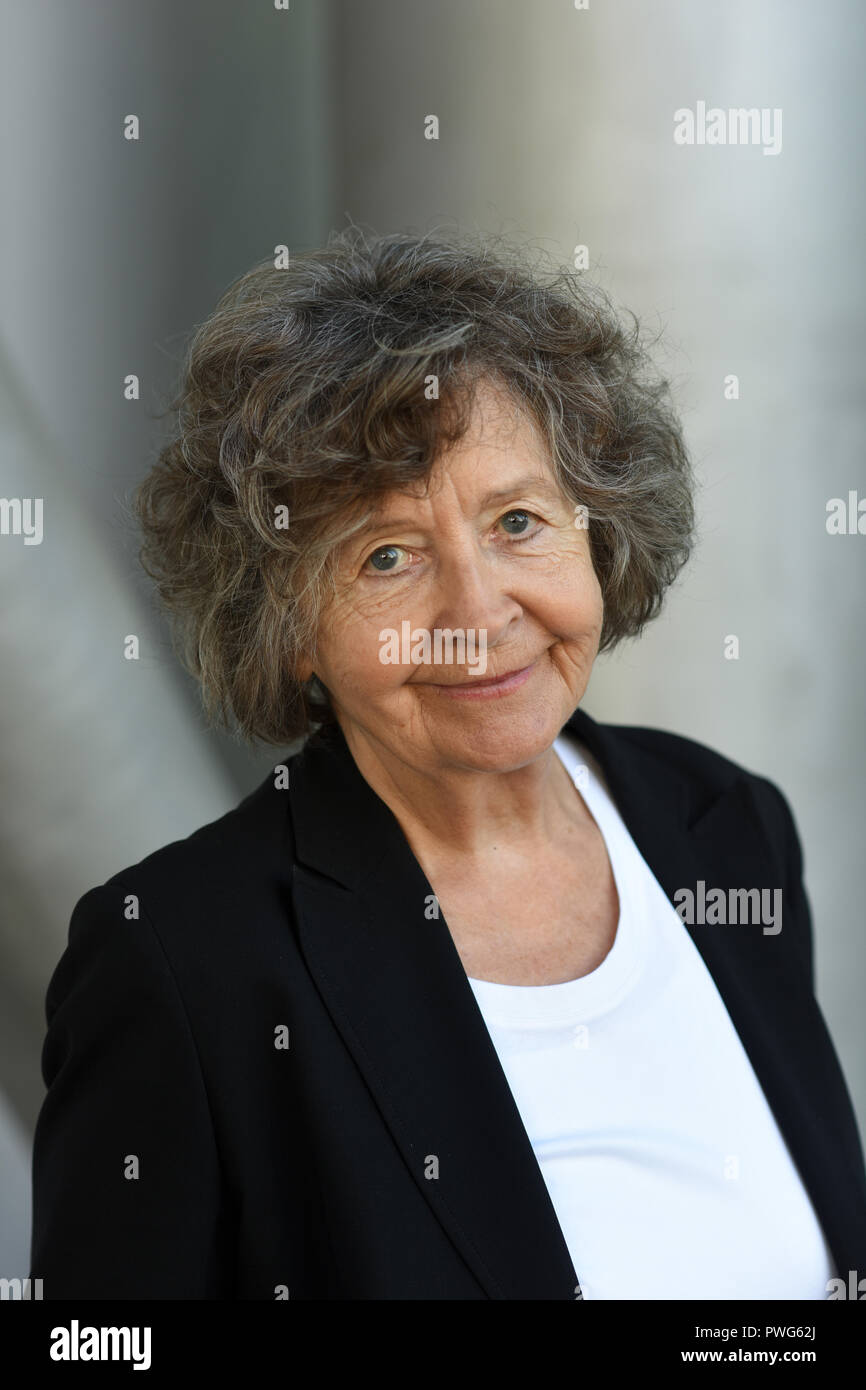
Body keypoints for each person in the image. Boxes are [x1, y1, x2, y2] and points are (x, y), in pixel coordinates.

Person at [30, 227, 866, 1299]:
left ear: (597, 533)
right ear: (284, 625)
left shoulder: (724, 822)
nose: (474, 615)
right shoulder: (184, 961)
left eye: (517, 521)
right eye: (387, 556)